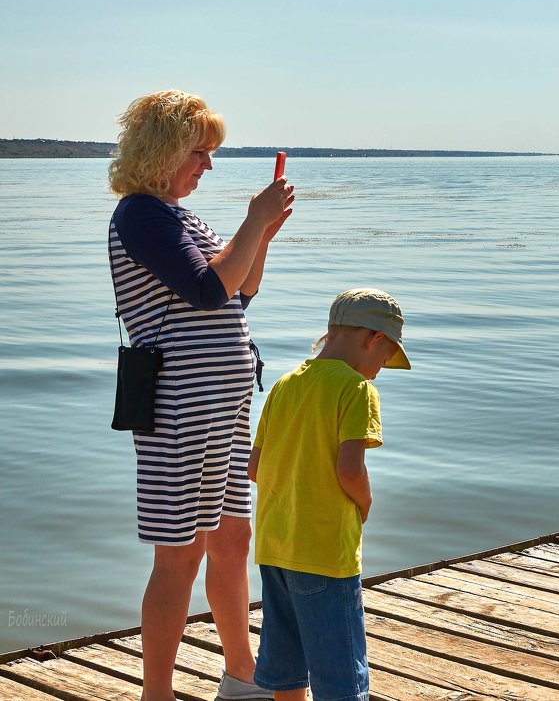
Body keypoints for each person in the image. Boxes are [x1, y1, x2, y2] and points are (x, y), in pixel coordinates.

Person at [107, 90, 294, 701]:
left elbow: (242, 291)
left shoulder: (180, 217)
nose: (206, 166)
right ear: (163, 150)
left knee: (233, 540)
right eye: (199, 152)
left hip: (224, 404)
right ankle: (156, 693)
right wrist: (251, 219)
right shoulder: (140, 215)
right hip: (179, 409)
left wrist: (261, 231)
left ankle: (243, 675)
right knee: (179, 556)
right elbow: (207, 291)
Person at [248, 288, 411, 701]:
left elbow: (254, 467)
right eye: (385, 358)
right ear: (374, 338)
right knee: (340, 672)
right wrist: (365, 502)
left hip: (275, 548)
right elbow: (350, 470)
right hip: (325, 553)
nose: (378, 371)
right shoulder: (355, 389)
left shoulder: (285, 384)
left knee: (286, 667)